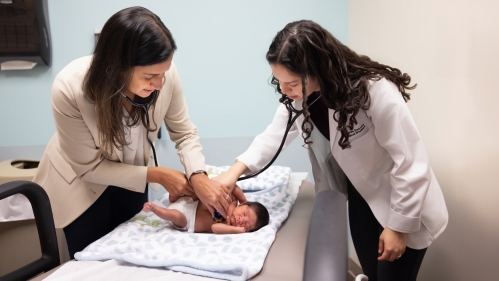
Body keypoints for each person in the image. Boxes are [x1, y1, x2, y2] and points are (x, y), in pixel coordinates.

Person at [214, 20, 448, 281]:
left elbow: (411, 162)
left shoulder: (374, 90)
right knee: (372, 271)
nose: (283, 90)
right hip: (362, 196)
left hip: (402, 199)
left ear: (317, 71)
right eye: (278, 81)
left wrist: (398, 227)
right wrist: (232, 174)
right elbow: (272, 135)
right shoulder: (303, 97)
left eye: (290, 82)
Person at [32, 6, 238, 259]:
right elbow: (88, 168)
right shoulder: (69, 88)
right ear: (116, 66)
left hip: (132, 178)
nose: (160, 84)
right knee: (91, 261)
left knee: (134, 257)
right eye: (150, 76)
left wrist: (198, 175)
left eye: (163, 73)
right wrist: (158, 175)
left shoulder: (164, 75)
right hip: (81, 184)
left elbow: (184, 133)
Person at [142, 186, 270, 234]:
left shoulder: (227, 225)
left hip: (187, 218)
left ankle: (155, 208)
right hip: (190, 201)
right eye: (244, 213)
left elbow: (215, 228)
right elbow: (232, 185)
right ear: (243, 205)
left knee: (175, 216)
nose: (241, 220)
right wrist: (240, 198)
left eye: (246, 225)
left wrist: (236, 230)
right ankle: (177, 194)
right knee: (205, 187)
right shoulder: (232, 201)